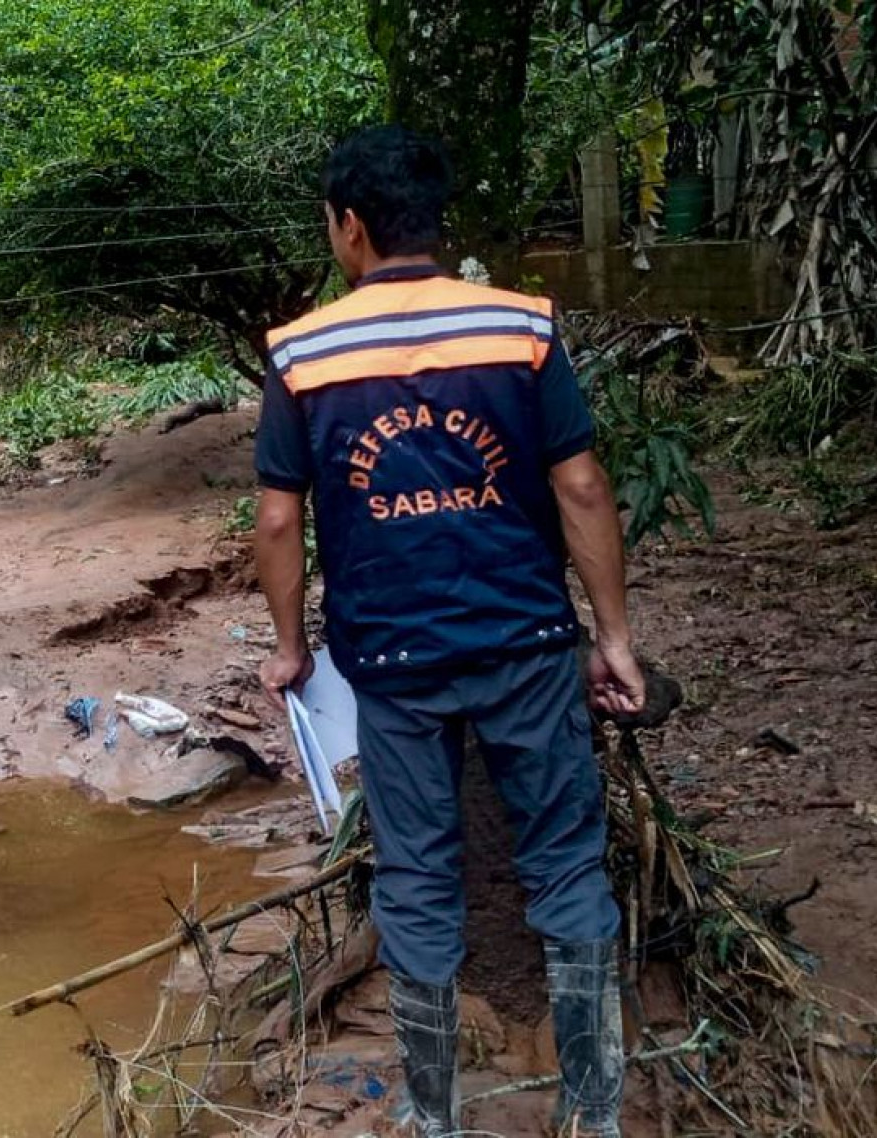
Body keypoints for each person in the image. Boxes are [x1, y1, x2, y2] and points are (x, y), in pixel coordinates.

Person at [251, 124, 647, 1138]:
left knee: (419, 882)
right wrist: (611, 637)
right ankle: (593, 1115)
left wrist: (293, 649)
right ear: (434, 219)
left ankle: (435, 1119)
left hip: (390, 663)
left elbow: (277, 518)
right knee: (563, 864)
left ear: (347, 226)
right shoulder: (520, 327)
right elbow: (581, 485)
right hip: (524, 647)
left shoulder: (301, 353)